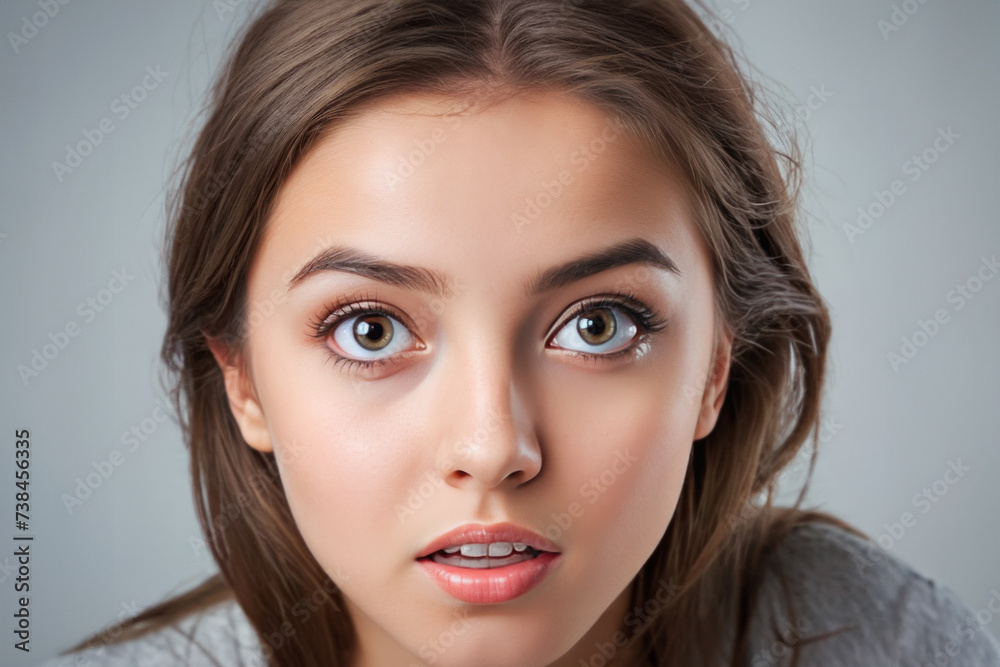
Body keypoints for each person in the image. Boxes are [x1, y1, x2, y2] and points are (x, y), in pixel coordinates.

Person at [37, 0, 1000, 665]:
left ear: (715, 366)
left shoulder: (871, 638)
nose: (493, 447)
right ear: (242, 381)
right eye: (370, 329)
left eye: (598, 323)